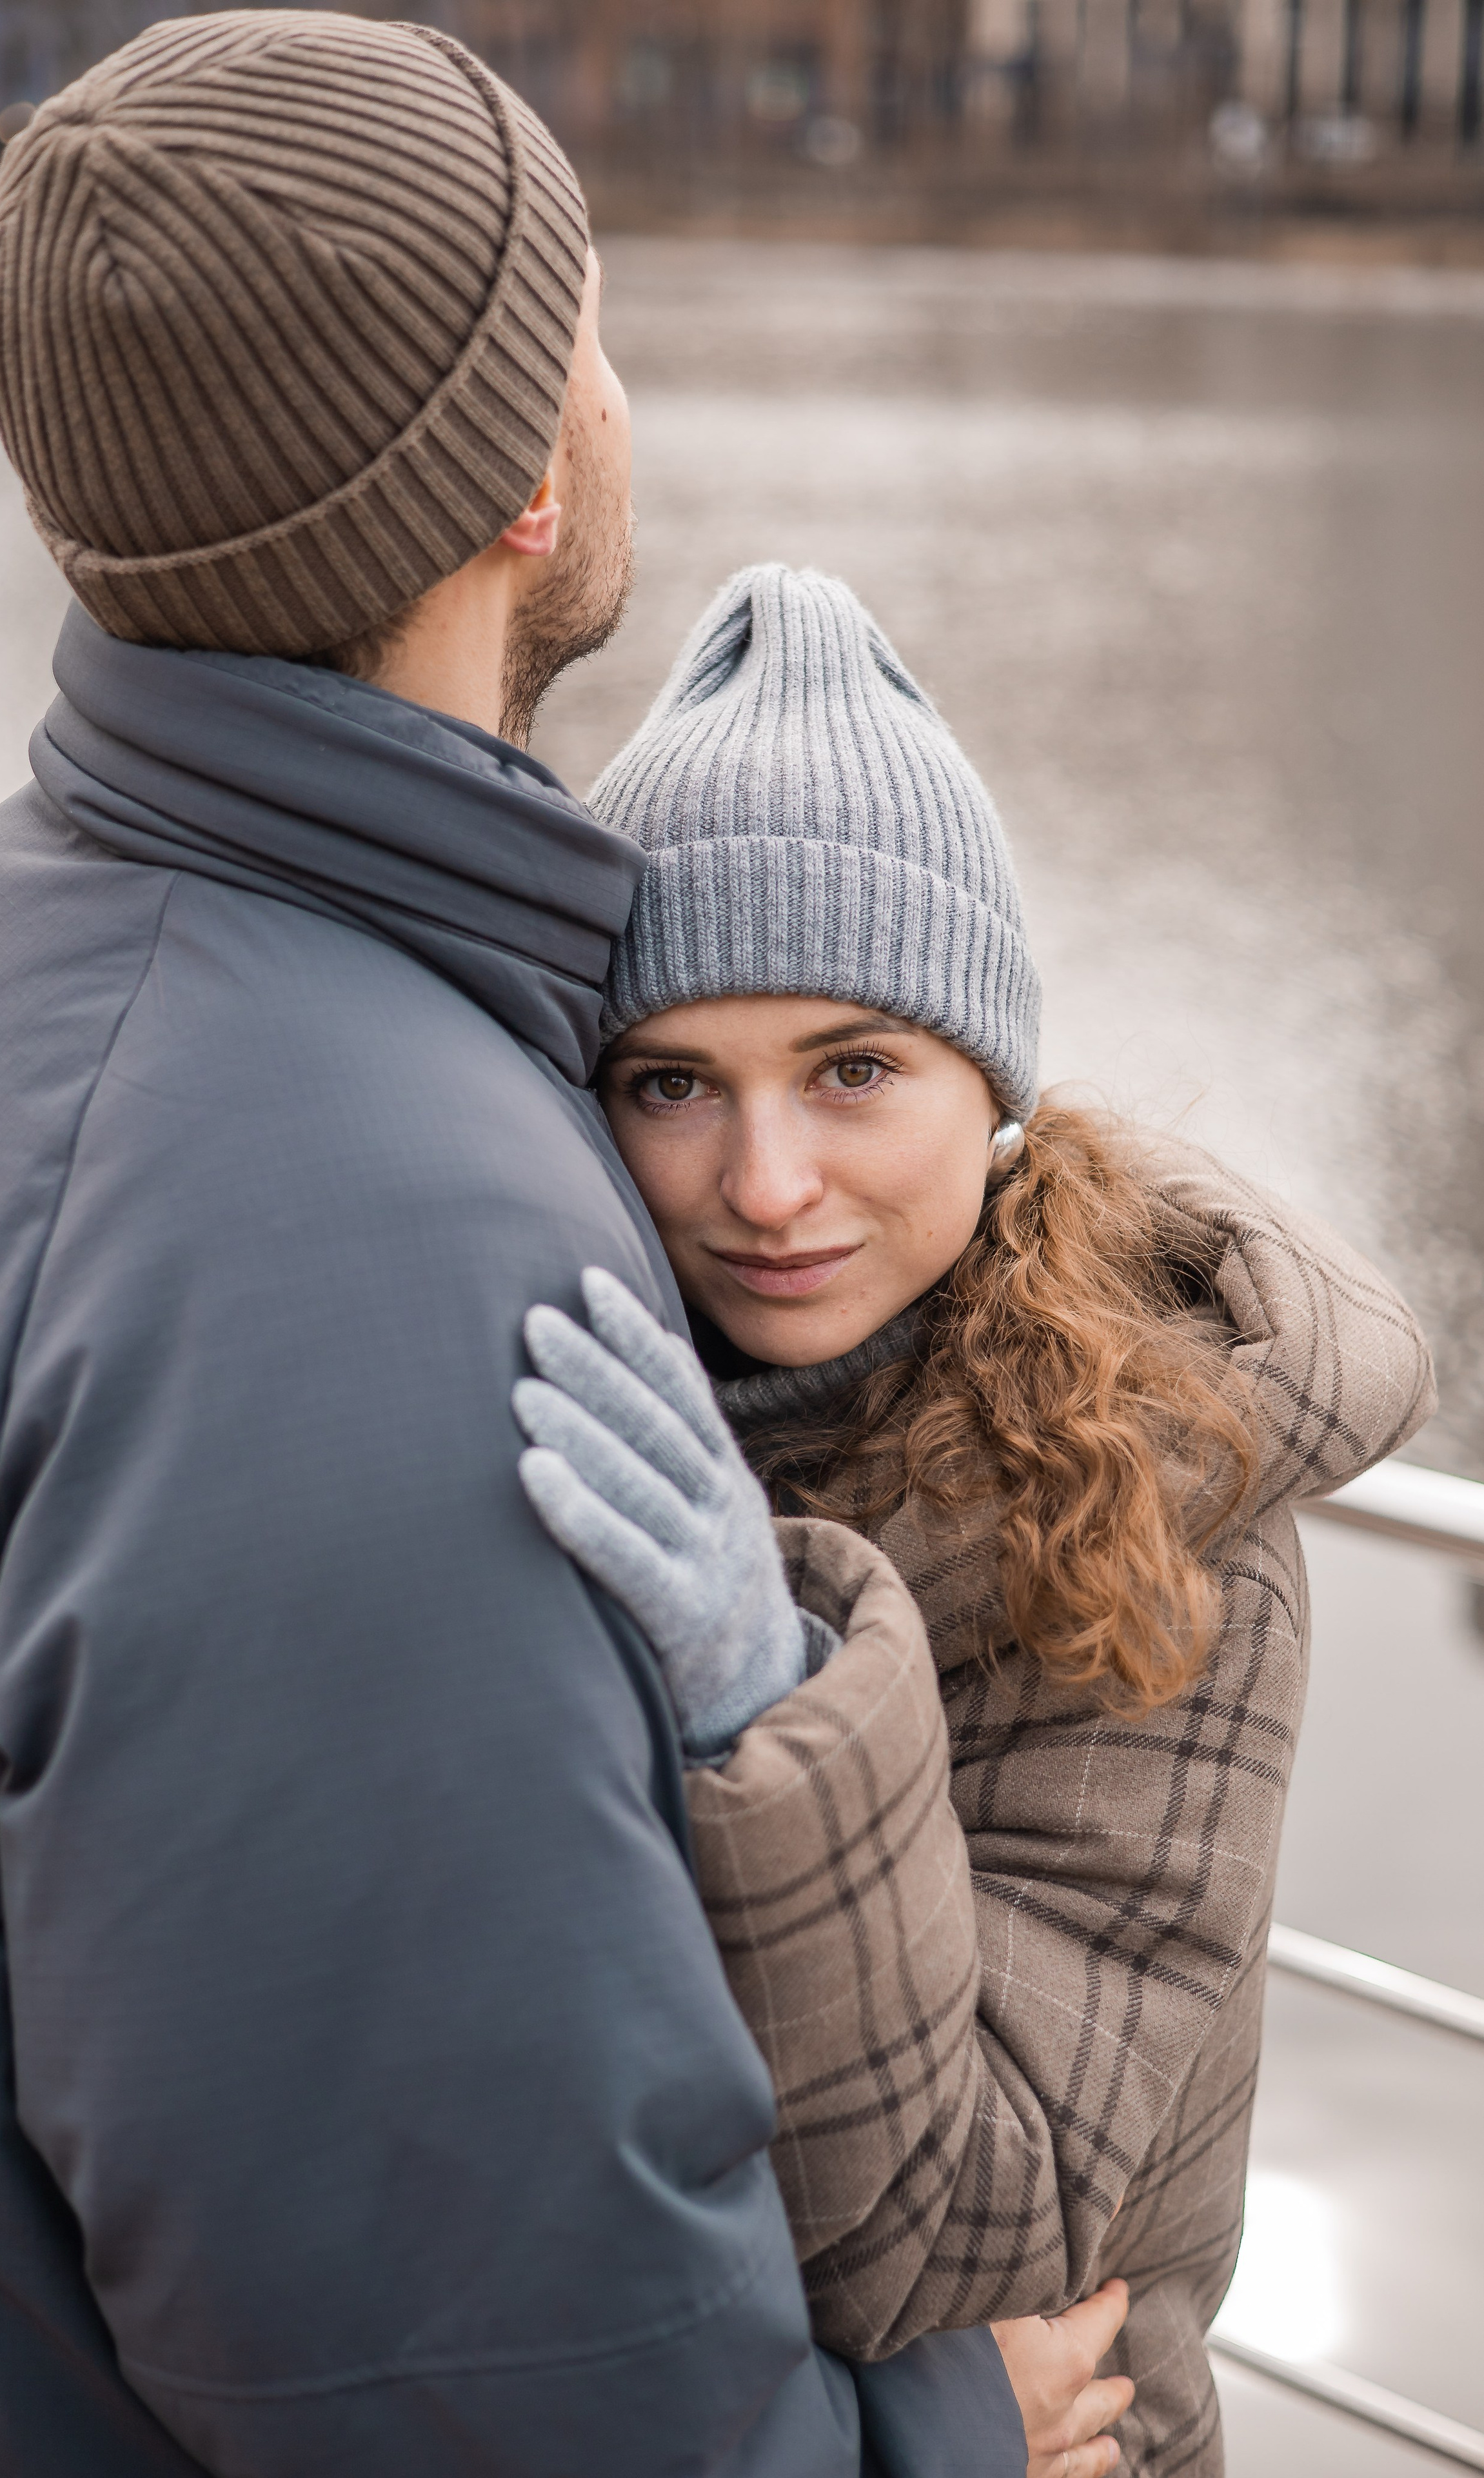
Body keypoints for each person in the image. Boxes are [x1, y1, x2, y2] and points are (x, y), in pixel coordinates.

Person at [0, 22, 1124, 2478]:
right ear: (533, 477)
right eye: (593, 329)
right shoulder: (384, 1231)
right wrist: (930, 2445)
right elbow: (471, 2351)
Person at [513, 564, 1438, 2477]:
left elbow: (981, 2237)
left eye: (856, 1068)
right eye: (673, 1082)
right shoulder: (620, 1374)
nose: (766, 1184)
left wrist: (773, 1696)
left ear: (988, 1082)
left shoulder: (1153, 1499)